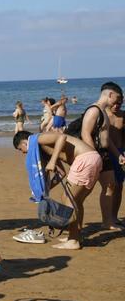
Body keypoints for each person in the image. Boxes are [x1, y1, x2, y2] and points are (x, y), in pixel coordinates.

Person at [13, 130, 103, 249]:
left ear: (25, 142)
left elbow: (62, 137)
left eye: (21, 149)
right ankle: (76, 235)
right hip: (93, 158)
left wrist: (53, 161)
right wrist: (45, 189)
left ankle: (73, 240)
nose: (24, 153)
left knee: (67, 198)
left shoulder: (38, 138)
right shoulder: (44, 149)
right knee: (76, 201)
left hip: (84, 159)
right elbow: (61, 173)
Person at [79, 82, 125, 230]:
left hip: (108, 154)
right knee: (84, 192)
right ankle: (74, 229)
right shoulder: (95, 110)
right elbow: (86, 133)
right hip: (98, 154)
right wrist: (93, 155)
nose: (117, 103)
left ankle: (109, 220)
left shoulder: (106, 112)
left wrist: (118, 154)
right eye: (116, 99)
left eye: (120, 101)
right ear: (110, 95)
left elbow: (107, 139)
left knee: (112, 186)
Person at [107, 99, 125, 227]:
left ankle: (114, 216)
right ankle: (108, 218)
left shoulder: (123, 115)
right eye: (114, 103)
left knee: (119, 186)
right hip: (107, 154)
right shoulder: (103, 116)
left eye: (119, 103)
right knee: (110, 186)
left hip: (122, 152)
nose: (116, 105)